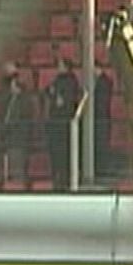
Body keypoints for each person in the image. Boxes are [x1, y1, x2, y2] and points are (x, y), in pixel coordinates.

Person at [45, 59, 82, 189]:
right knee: (56, 154)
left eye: (60, 65)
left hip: (64, 124)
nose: (58, 67)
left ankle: (65, 179)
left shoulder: (70, 81)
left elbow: (67, 100)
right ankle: (57, 178)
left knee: (64, 153)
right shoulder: (58, 80)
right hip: (55, 123)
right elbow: (48, 91)